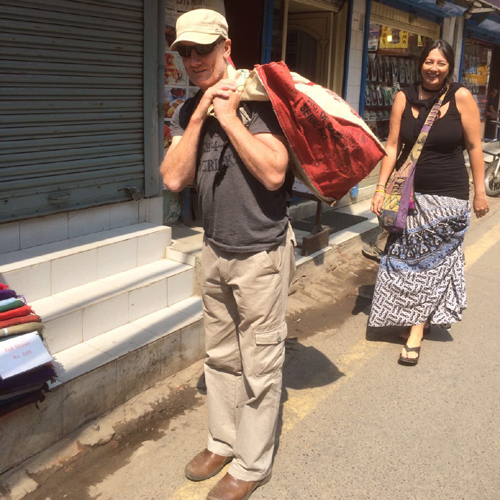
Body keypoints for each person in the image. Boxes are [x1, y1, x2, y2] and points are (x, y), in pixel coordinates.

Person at [160, 9, 295, 500]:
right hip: (215, 250)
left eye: (202, 49)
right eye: (185, 52)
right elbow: (174, 177)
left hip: (261, 252)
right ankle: (222, 439)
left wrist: (228, 116)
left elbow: (275, 172)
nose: (194, 60)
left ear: (226, 46)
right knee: (219, 357)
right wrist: (199, 114)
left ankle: (252, 463)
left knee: (259, 363)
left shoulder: (260, 100)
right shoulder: (186, 110)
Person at [368, 39, 489, 366]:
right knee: (402, 261)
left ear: (449, 68)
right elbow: (392, 146)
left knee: (430, 265)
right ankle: (413, 316)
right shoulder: (402, 98)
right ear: (420, 63)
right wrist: (379, 188)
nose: (434, 68)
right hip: (408, 195)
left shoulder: (460, 97)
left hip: (448, 195)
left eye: (441, 63)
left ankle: (416, 330)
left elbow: (475, 147)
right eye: (429, 62)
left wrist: (480, 191)